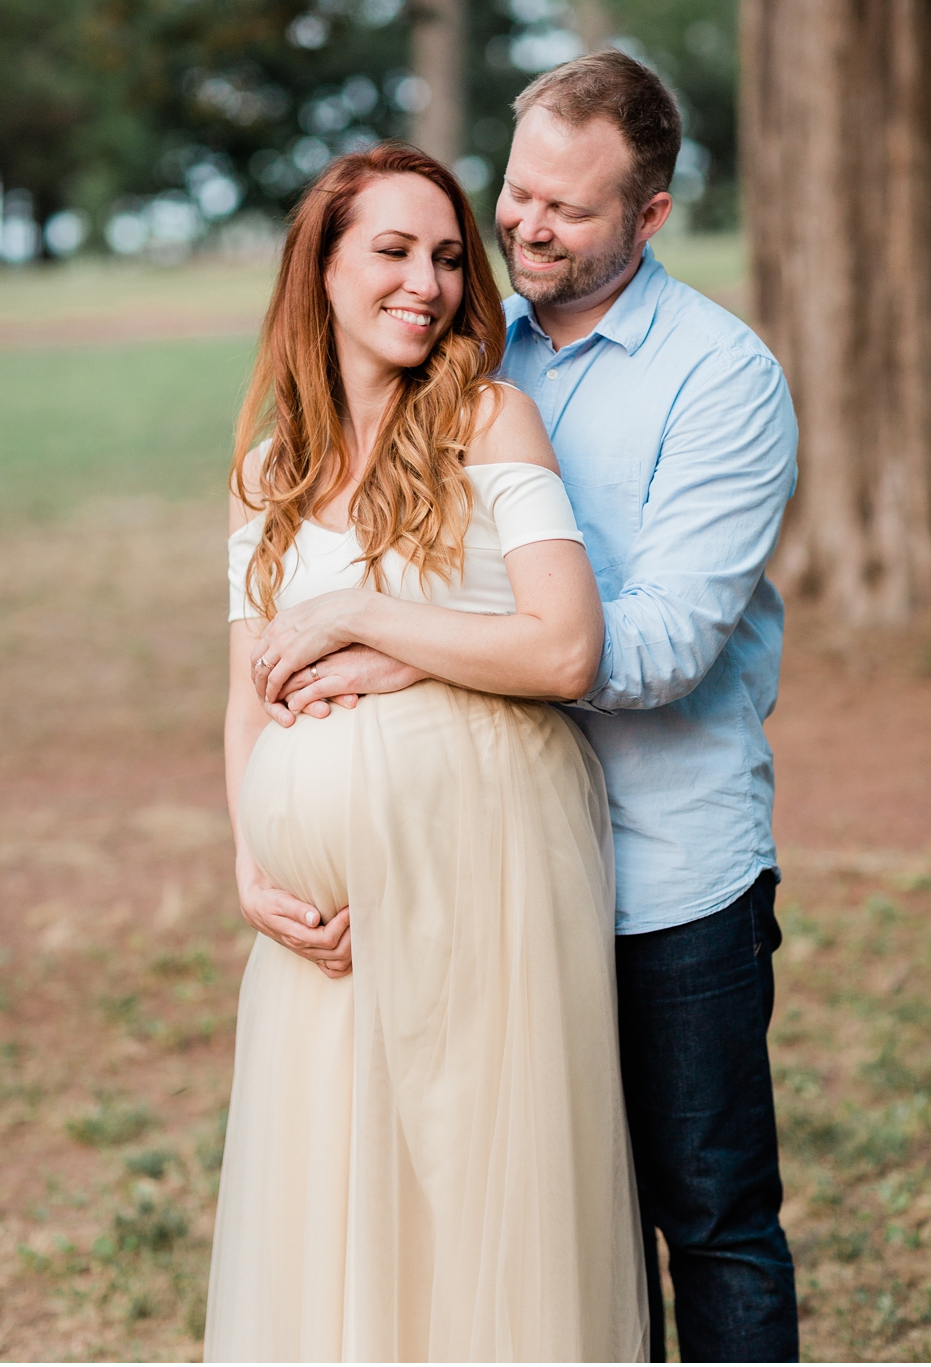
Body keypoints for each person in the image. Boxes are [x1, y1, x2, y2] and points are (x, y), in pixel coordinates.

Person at [263, 52, 801, 1362]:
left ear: (652, 216)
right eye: (516, 193)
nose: (526, 227)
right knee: (539, 1220)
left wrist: (416, 648)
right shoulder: (457, 345)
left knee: (710, 1213)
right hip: (475, 874)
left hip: (664, 866)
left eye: (570, 207)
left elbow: (660, 644)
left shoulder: (723, 379)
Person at [205, 141, 648, 1361]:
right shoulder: (267, 470)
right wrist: (250, 863)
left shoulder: (488, 420)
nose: (429, 282)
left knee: (471, 1186)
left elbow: (562, 647)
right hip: (320, 921)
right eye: (392, 251)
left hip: (484, 867)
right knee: (332, 1196)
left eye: (449, 256)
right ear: (323, 267)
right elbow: (247, 690)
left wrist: (366, 620)